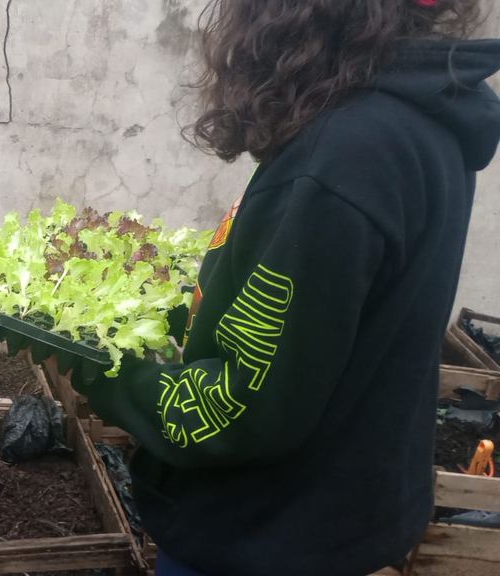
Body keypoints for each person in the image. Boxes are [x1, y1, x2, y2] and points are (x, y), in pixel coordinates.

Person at [62, 1, 499, 575]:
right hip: (339, 516)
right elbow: (330, 320)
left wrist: (99, 367)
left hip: (258, 535)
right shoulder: (427, 119)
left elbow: (239, 407)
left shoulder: (340, 158)